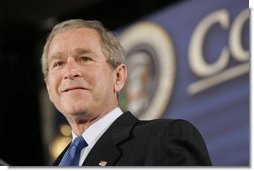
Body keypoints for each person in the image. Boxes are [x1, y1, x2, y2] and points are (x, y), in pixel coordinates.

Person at [41, 19, 212, 166]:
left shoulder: (164, 138)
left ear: (118, 76)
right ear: (49, 88)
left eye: (85, 58)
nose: (70, 72)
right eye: (58, 64)